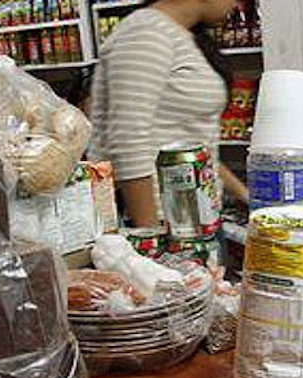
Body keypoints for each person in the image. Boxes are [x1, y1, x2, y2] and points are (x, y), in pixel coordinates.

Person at [88, 0, 247, 228]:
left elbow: (192, 141)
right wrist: (150, 234)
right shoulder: (146, 33)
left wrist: (244, 195)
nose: (237, 4)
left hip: (195, 217)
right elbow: (127, 141)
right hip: (164, 222)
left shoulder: (179, 35)